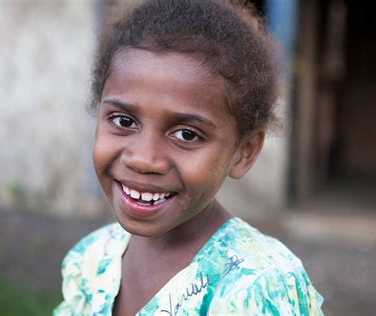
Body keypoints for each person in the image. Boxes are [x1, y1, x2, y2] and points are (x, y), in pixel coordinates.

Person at [54, 0, 324, 315]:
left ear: (244, 152)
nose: (143, 159)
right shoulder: (92, 259)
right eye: (124, 121)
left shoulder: (259, 287)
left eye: (186, 134)